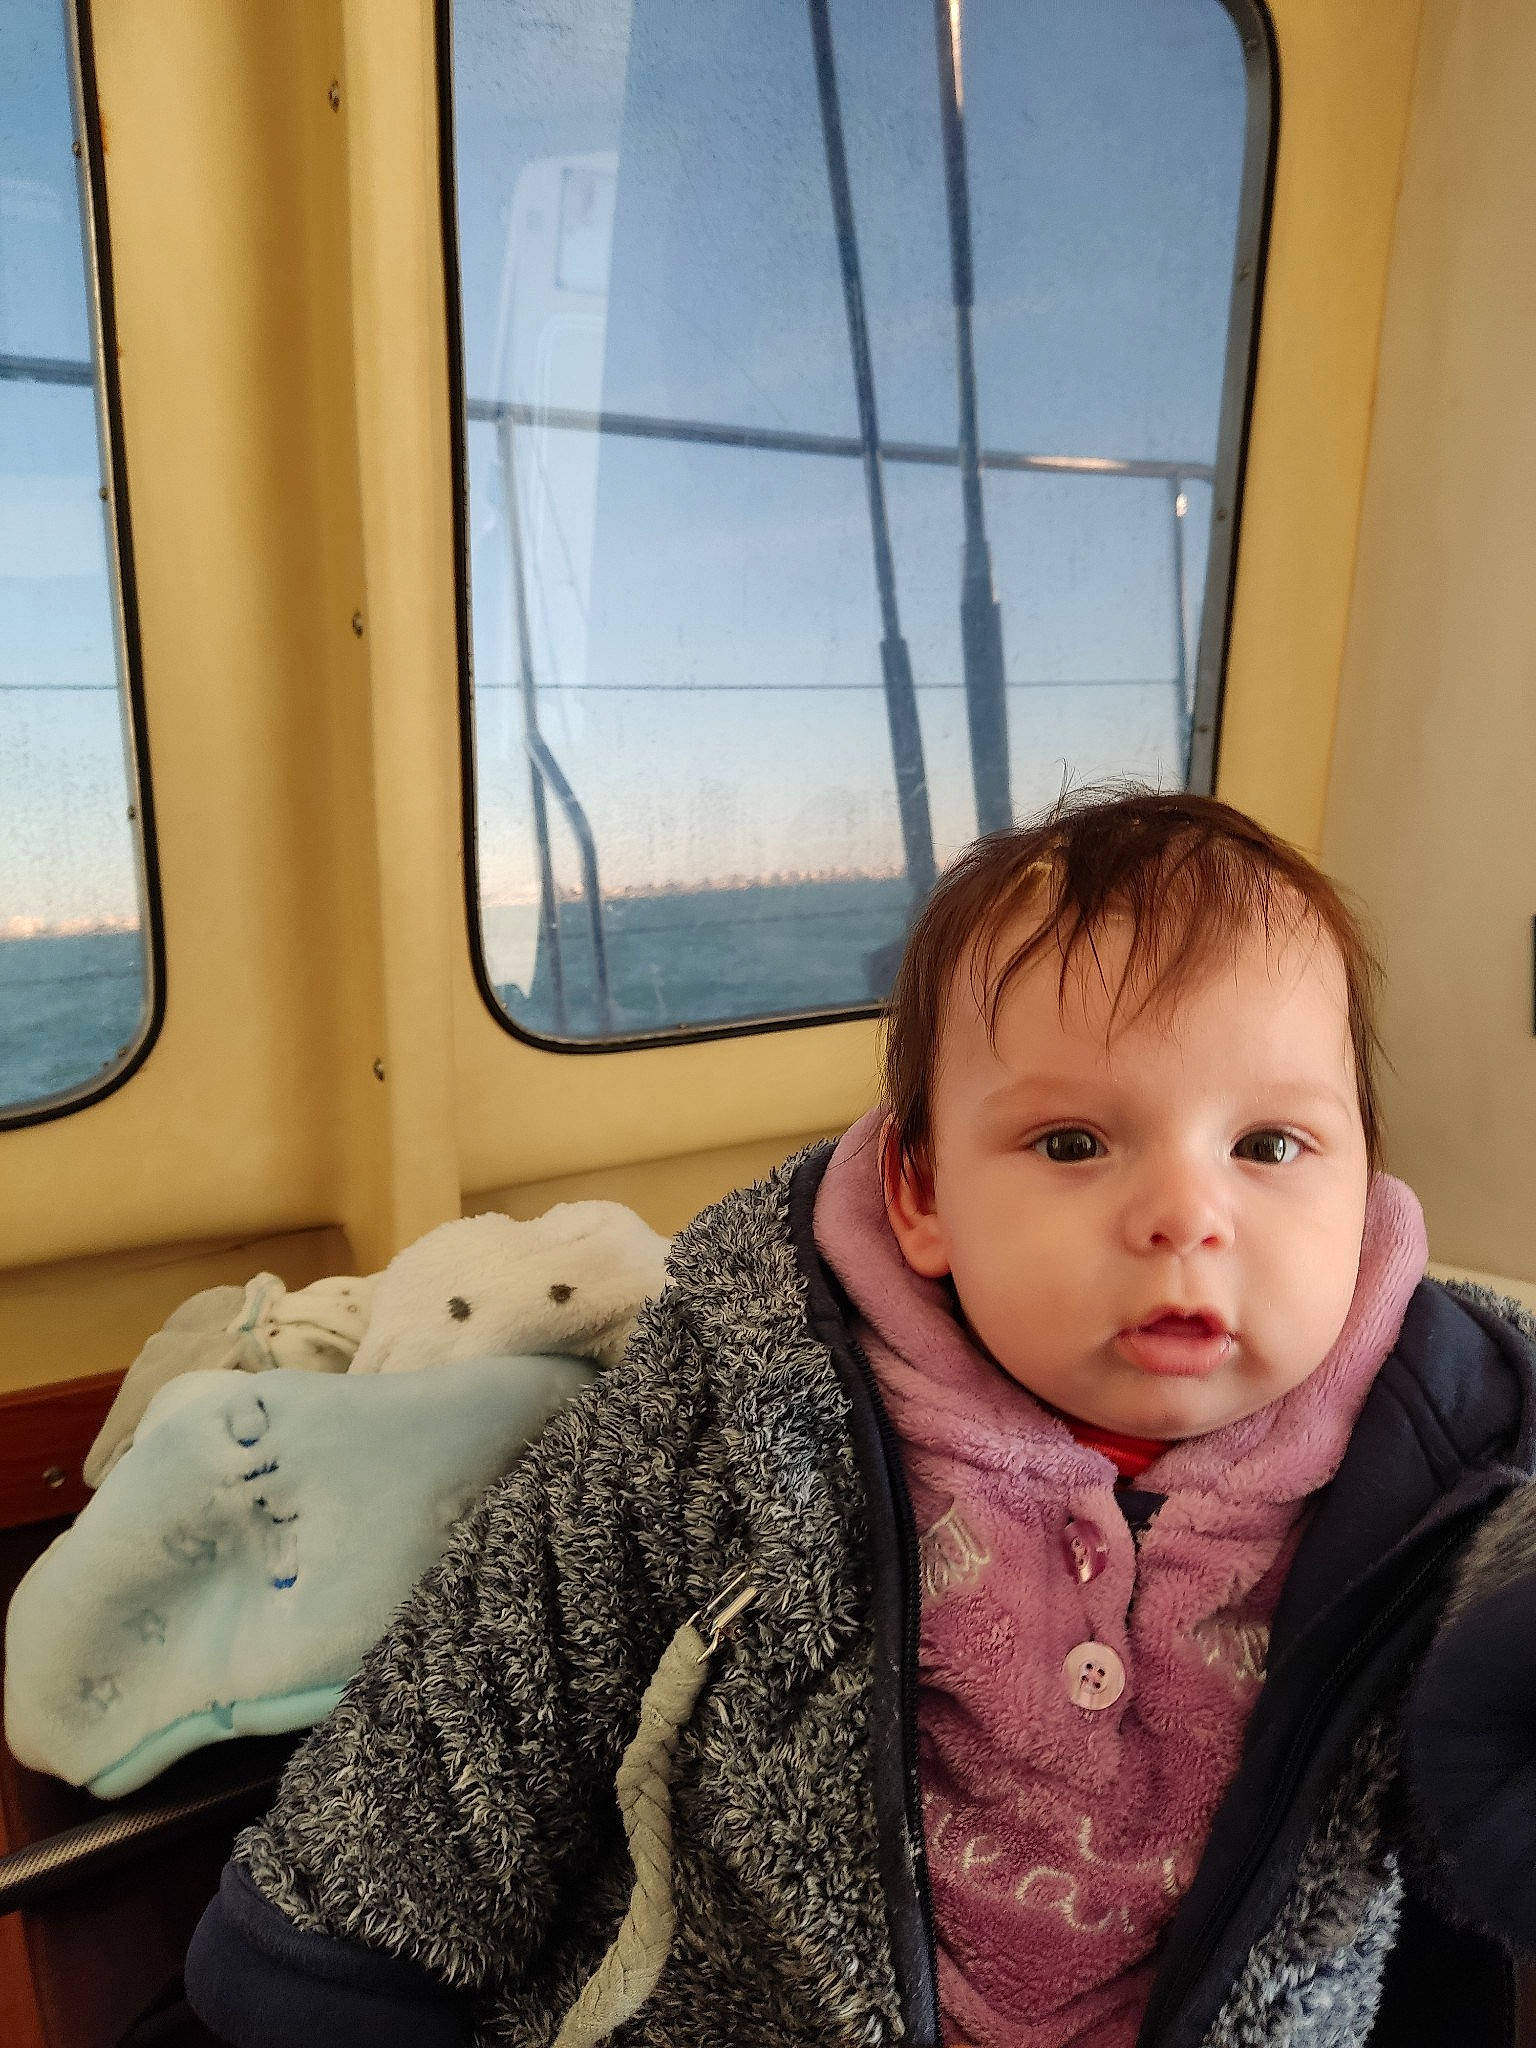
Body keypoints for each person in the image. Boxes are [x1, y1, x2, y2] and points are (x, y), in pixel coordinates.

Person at [185, 787, 1536, 2048]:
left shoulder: (1455, 1463)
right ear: (921, 1193)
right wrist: (319, 1965)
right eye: (1073, 1143)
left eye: (1270, 1147)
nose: (1190, 1217)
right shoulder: (745, 1392)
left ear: (1366, 1184)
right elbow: (511, 1659)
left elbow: (1468, 1780)